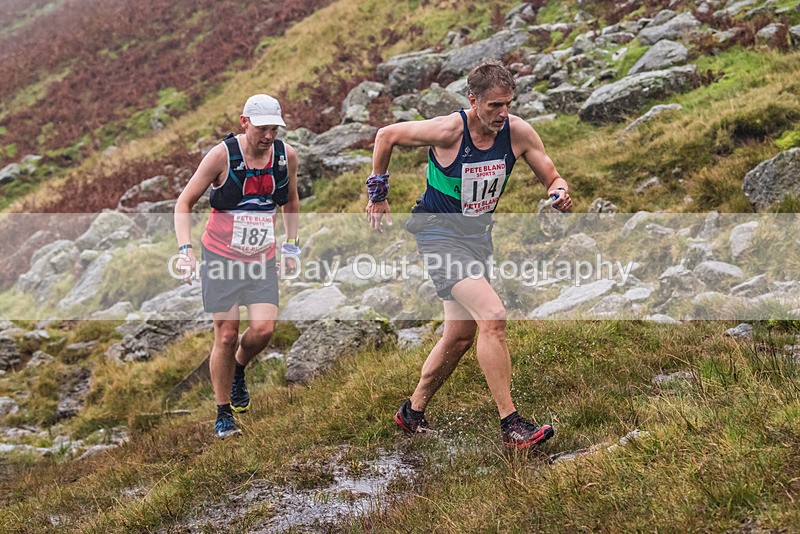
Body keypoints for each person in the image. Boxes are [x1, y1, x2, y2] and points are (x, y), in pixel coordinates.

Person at [365, 60, 572, 449]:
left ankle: (412, 412)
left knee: (459, 336)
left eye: (508, 104)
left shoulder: (517, 132)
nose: (503, 113)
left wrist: (558, 191)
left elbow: (552, 174)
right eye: (494, 105)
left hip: (477, 239)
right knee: (493, 316)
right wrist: (378, 194)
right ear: (473, 101)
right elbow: (386, 135)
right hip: (438, 233)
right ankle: (511, 425)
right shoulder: (449, 130)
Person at [174, 94, 300, 439]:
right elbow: (184, 202)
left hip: (262, 257)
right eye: (262, 129)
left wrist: (291, 246)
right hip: (221, 257)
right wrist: (185, 251)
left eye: (274, 129)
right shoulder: (221, 156)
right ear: (245, 122)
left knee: (263, 330)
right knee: (227, 335)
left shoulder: (285, 156)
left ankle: (239, 368)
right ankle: (223, 413)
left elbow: (290, 200)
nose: (268, 136)